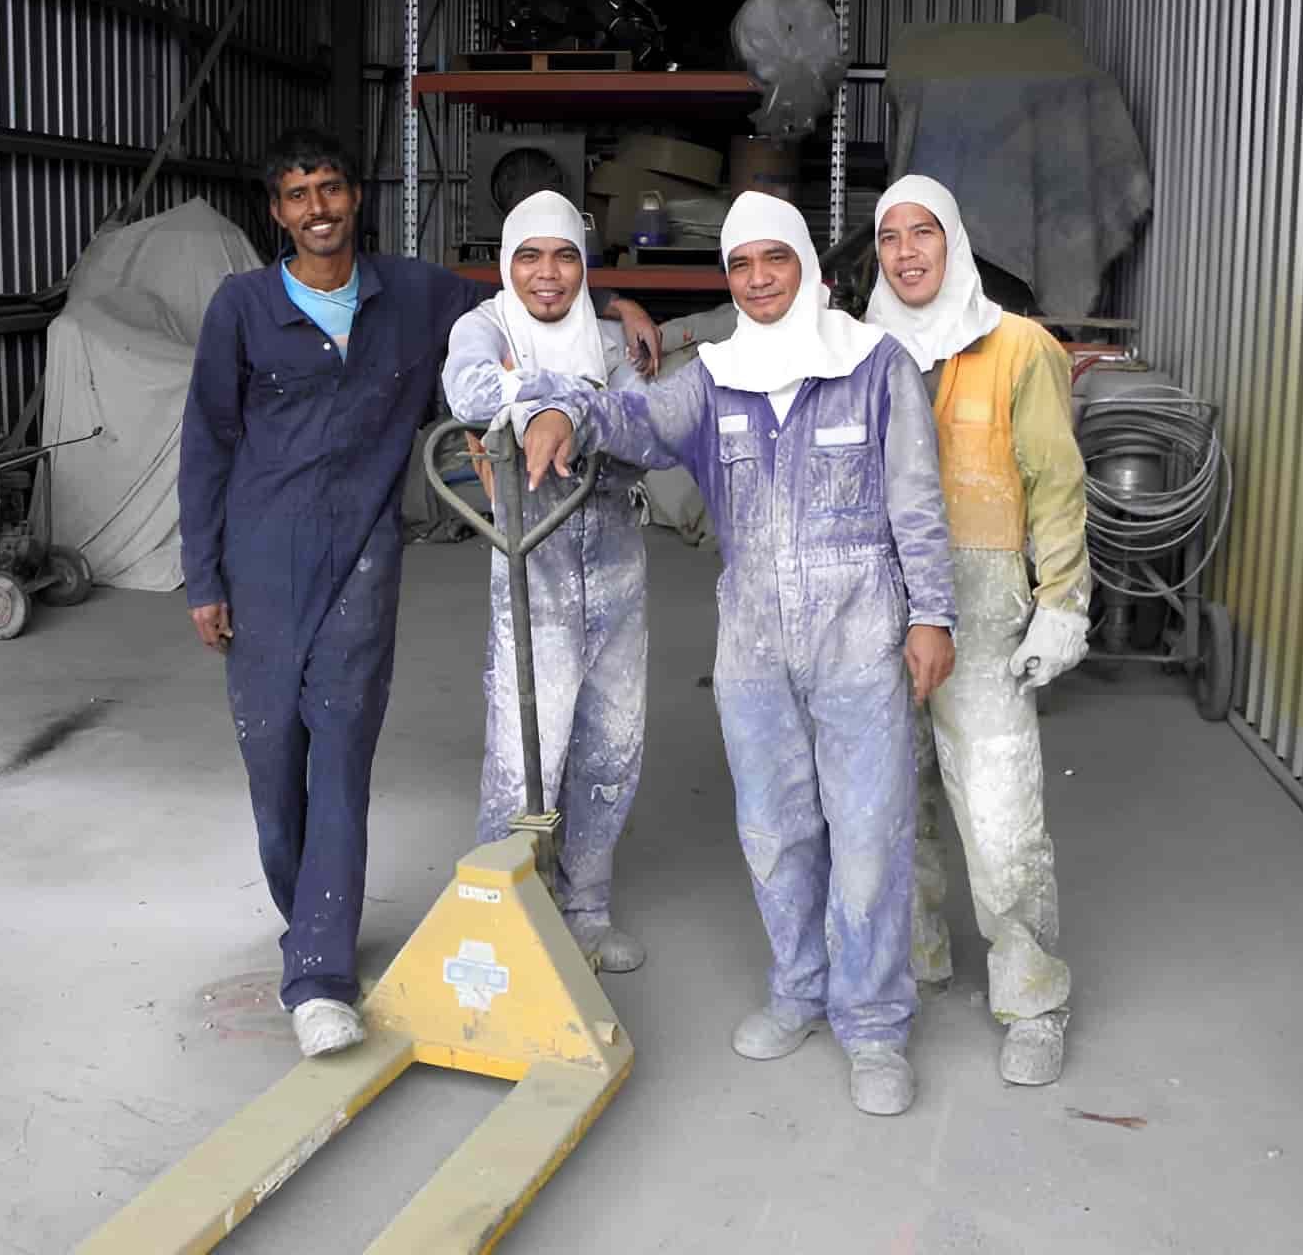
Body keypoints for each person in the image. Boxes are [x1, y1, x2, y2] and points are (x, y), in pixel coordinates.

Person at [178, 128, 661, 1058]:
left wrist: (623, 301)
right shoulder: (241, 308)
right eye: (296, 195)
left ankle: (318, 972)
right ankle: (306, 917)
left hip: (364, 557)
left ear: (356, 197)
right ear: (276, 214)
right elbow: (207, 444)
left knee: (344, 757)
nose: (317, 208)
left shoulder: (411, 294)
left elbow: (526, 299)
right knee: (275, 764)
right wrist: (204, 575)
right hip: (263, 560)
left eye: (330, 189)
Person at [522, 191, 957, 1116]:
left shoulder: (876, 366)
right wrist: (563, 412)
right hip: (754, 640)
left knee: (871, 837)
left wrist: (933, 617)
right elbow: (633, 419)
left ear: (807, 265)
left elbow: (918, 501)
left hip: (859, 635)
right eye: (741, 266)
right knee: (773, 828)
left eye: (776, 260)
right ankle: (799, 988)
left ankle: (874, 1023)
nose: (759, 280)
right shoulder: (713, 376)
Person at [866, 173, 1092, 1087]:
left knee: (1000, 814)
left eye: (924, 233)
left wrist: (1063, 599)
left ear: (953, 242)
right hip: (877, 601)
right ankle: (915, 963)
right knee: (889, 801)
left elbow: (1056, 479)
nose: (908, 252)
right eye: (890, 238)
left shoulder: (1017, 347)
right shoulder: (860, 348)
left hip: (986, 605)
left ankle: (1032, 993)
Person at [440, 191, 652, 973]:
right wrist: (553, 404)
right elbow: (468, 389)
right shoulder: (485, 326)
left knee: (612, 744)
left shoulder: (611, 337)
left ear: (583, 264)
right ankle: (507, 911)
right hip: (535, 557)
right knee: (527, 746)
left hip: (618, 560)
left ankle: (586, 910)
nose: (547, 274)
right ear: (507, 263)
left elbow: (641, 433)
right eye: (528, 255)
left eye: (564, 255)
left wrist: (544, 394)